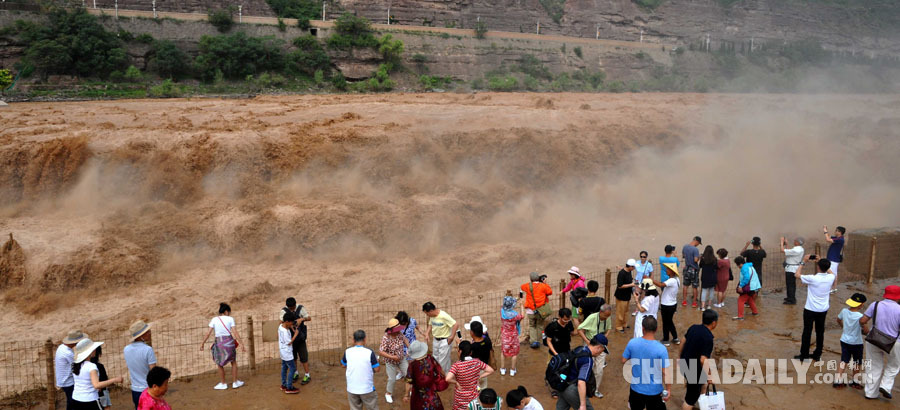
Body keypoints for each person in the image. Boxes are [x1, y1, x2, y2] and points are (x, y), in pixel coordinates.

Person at [858, 285, 900, 400]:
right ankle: (885, 386)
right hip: (894, 342)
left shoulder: (875, 305)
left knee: (873, 366)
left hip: (874, 339)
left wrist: (866, 329)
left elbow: (862, 320)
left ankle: (870, 393)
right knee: (894, 365)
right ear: (897, 297)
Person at [622, 317, 671, 410]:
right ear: (656, 329)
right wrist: (668, 389)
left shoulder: (632, 343)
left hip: (636, 389)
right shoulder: (661, 349)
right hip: (655, 391)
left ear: (642, 328)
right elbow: (666, 372)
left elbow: (624, 360)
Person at [794, 255, 835, 361]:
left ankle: (804, 355)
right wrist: (820, 260)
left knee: (807, 331)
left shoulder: (813, 278)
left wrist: (803, 261)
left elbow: (797, 274)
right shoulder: (831, 277)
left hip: (810, 309)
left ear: (818, 267)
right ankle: (817, 354)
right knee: (820, 332)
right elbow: (831, 272)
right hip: (823, 310)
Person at [200, 302, 245, 390]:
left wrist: (202, 343)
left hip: (219, 342)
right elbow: (235, 332)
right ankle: (235, 382)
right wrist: (242, 344)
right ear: (226, 311)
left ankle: (223, 383)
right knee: (233, 361)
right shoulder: (230, 319)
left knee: (219, 363)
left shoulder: (214, 319)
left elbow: (208, 333)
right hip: (229, 341)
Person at [679, 310, 718, 410]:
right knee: (690, 400)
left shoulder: (693, 327)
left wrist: (679, 358)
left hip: (685, 363)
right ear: (714, 323)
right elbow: (703, 360)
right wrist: (710, 377)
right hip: (693, 370)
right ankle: (688, 404)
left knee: (701, 384)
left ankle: (702, 403)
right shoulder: (708, 338)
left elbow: (683, 341)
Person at [555, 335, 606, 410]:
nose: (600, 354)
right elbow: (581, 382)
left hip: (562, 384)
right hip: (572, 389)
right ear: (598, 347)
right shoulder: (587, 360)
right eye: (601, 351)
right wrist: (582, 405)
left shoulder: (579, 349)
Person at [72, 338, 124, 410]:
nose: (95, 350)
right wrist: (115, 380)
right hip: (89, 400)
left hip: (76, 399)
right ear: (90, 352)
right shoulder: (91, 366)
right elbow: (96, 385)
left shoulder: (76, 365)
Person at [576, 305, 612, 398]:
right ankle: (583, 388)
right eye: (605, 316)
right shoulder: (592, 318)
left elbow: (609, 329)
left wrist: (604, 338)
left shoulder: (607, 317)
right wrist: (587, 341)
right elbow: (579, 329)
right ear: (601, 312)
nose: (606, 318)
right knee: (587, 366)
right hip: (590, 344)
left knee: (599, 370)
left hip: (601, 346)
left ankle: (594, 390)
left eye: (608, 316)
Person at [446, 341, 493, 410]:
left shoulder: (456, 365)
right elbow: (490, 370)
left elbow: (448, 379)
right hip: (473, 397)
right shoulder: (477, 362)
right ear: (471, 353)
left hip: (460, 397)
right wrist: (480, 377)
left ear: (460, 351)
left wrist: (456, 383)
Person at [835, 293, 867, 389]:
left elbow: (838, 319)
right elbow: (865, 330)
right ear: (861, 305)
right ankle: (855, 380)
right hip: (856, 342)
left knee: (844, 360)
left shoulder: (844, 311)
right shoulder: (860, 316)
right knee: (857, 362)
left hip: (844, 340)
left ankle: (838, 380)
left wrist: (843, 327)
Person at [342, 330, 381, 410]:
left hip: (352, 388)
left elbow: (343, 365)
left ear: (353, 340)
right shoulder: (369, 352)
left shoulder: (347, 351)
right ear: (365, 339)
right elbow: (377, 369)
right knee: (372, 407)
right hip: (367, 389)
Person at [403, 340, 444, 410]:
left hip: (418, 395)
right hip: (431, 392)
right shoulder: (431, 358)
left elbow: (408, 382)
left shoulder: (412, 365)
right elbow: (440, 370)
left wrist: (406, 395)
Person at [124, 320, 157, 408]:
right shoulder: (148, 350)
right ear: (141, 336)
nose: (149, 333)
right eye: (147, 332)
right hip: (148, 390)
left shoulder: (126, 349)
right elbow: (153, 372)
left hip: (135, 390)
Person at [280, 297, 312, 385]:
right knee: (293, 357)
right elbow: (281, 322)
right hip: (291, 337)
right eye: (290, 309)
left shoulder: (300, 308)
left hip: (300, 338)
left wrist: (301, 319)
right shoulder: (284, 311)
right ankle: (296, 373)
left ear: (295, 305)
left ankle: (307, 374)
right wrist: (291, 326)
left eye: (293, 308)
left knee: (303, 357)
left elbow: (309, 318)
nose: (291, 310)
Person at [379, 318, 409, 403]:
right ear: (391, 330)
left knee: (408, 374)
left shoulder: (400, 334)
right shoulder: (386, 337)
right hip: (390, 362)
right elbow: (381, 351)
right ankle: (388, 393)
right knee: (392, 379)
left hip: (401, 359)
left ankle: (410, 390)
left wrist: (409, 347)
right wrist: (392, 357)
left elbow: (405, 340)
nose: (398, 331)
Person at [423, 302, 459, 372]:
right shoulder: (432, 316)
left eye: (427, 313)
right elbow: (430, 324)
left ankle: (440, 378)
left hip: (445, 341)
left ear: (431, 311)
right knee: (437, 358)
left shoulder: (443, 316)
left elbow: (456, 324)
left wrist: (452, 337)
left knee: (442, 362)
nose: (427, 315)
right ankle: (447, 375)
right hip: (436, 340)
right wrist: (427, 333)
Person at [56, 330, 88, 410]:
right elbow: (78, 363)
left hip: (64, 380)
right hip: (68, 382)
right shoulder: (67, 353)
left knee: (71, 403)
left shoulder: (62, 347)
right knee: (74, 403)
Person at [521, 272, 553, 348]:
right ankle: (538, 341)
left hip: (530, 310)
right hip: (540, 310)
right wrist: (545, 283)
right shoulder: (543, 286)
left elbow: (522, 287)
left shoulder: (528, 286)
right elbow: (550, 292)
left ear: (530, 279)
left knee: (532, 325)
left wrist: (531, 283)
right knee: (540, 325)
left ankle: (533, 341)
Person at [652, 263, 680, 346]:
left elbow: (661, 285)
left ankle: (666, 339)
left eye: (668, 269)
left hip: (667, 305)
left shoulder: (671, 280)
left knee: (666, 322)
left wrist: (650, 279)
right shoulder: (676, 279)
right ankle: (675, 338)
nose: (666, 270)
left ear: (672, 271)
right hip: (672, 304)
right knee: (669, 321)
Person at [500, 296, 524, 376]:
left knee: (503, 352)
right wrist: (521, 305)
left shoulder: (502, 312)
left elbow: (505, 305)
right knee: (514, 353)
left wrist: (515, 300)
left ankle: (502, 369)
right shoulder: (515, 315)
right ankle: (512, 370)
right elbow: (522, 316)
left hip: (505, 336)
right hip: (513, 336)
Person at [466, 318, 492, 390]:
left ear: (472, 332)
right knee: (483, 387)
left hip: (475, 371)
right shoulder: (487, 340)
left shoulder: (472, 346)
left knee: (475, 388)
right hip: (485, 368)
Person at [732, 256, 761, 320]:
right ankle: (755, 312)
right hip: (755, 286)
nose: (738, 267)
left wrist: (740, 286)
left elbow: (746, 278)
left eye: (737, 265)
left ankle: (740, 316)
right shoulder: (750, 266)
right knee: (750, 299)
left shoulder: (744, 268)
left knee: (741, 300)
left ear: (740, 264)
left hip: (749, 287)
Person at [279, 312, 300, 394]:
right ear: (287, 321)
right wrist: (295, 334)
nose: (292, 323)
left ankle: (283, 384)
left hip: (282, 351)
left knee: (284, 367)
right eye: (291, 322)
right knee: (292, 368)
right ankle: (289, 387)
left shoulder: (280, 326)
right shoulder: (285, 332)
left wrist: (291, 327)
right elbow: (289, 342)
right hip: (287, 353)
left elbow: (286, 324)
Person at [614, 260, 638, 333]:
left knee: (626, 311)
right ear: (630, 266)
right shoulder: (621, 273)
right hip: (621, 296)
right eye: (633, 267)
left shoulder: (628, 272)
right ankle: (618, 326)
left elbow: (630, 281)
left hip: (627, 296)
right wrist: (632, 285)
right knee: (620, 312)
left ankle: (624, 324)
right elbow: (620, 285)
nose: (634, 268)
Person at [781, 236, 805, 305]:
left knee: (790, 285)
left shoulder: (797, 250)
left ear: (797, 242)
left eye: (795, 241)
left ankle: (791, 300)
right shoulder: (799, 249)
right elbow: (789, 252)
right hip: (793, 268)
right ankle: (790, 297)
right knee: (791, 284)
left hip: (791, 269)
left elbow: (782, 250)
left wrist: (782, 242)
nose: (794, 242)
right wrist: (787, 244)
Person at [824, 225, 846, 293]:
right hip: (834, 259)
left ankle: (830, 289)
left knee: (831, 274)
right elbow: (829, 237)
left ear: (840, 232)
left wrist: (825, 231)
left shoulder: (840, 239)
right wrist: (826, 232)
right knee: (834, 274)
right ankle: (834, 288)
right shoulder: (838, 238)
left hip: (833, 259)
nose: (835, 232)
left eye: (836, 230)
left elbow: (827, 239)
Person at [681, 236, 701, 308]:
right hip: (694, 269)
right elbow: (695, 260)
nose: (698, 244)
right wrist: (699, 257)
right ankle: (694, 302)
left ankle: (684, 301)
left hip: (686, 268)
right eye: (698, 243)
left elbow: (683, 256)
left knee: (685, 286)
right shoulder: (695, 249)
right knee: (694, 286)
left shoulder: (685, 247)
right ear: (697, 241)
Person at [698, 245, 718, 311]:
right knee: (711, 291)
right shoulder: (714, 259)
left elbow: (700, 266)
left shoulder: (703, 259)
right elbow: (716, 267)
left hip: (705, 277)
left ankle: (703, 307)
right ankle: (709, 305)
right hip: (712, 277)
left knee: (704, 291)